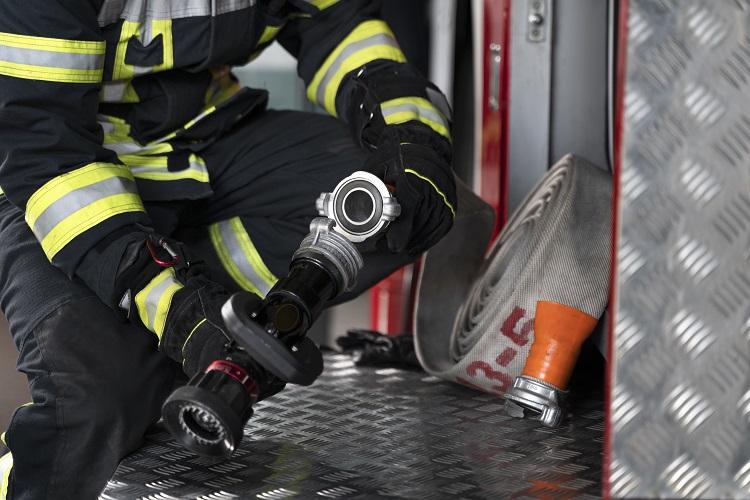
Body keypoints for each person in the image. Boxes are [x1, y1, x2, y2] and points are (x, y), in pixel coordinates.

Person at [0, 0, 457, 498]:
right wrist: (176, 307)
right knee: (92, 403)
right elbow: (45, 150)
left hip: (200, 139)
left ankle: (175, 326)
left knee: (395, 205)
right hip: (57, 184)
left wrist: (413, 137)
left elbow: (336, 21)